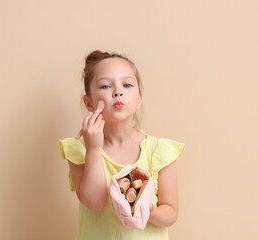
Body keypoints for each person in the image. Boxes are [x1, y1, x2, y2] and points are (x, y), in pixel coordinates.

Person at [58, 50, 186, 239]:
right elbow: (95, 202)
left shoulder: (158, 151)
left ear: (138, 100)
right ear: (89, 103)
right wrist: (93, 149)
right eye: (106, 86)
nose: (118, 92)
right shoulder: (80, 150)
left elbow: (171, 213)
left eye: (127, 85)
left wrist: (146, 209)